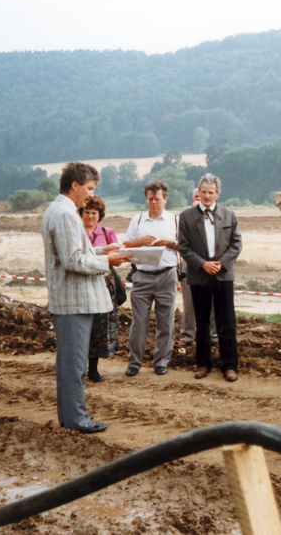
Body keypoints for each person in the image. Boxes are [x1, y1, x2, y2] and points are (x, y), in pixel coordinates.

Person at [41, 161, 129, 434]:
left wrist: (103, 252)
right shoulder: (66, 215)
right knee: (74, 366)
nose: (91, 194)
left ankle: (72, 417)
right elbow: (73, 260)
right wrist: (109, 261)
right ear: (75, 186)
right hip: (74, 301)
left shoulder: (60, 210)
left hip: (71, 300)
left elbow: (77, 252)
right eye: (89, 188)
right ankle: (77, 419)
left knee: (72, 364)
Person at [178, 173, 243, 382]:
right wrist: (202, 263)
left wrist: (221, 263)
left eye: (211, 192)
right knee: (202, 322)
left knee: (226, 322)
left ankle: (229, 366)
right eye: (203, 192)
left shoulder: (229, 215)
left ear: (218, 194)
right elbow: (183, 247)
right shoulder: (186, 216)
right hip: (199, 275)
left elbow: (236, 245)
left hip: (223, 275)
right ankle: (203, 364)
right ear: (199, 193)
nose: (207, 196)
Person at [122, 181, 179, 377]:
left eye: (157, 199)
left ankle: (161, 362)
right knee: (138, 323)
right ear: (146, 199)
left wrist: (171, 243)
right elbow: (126, 245)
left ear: (165, 199)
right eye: (150, 199)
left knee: (166, 322)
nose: (154, 202)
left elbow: (185, 245)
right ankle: (134, 363)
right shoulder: (137, 220)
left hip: (167, 275)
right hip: (142, 277)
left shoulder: (175, 220)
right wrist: (140, 242)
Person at [79, 195, 120, 382]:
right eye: (86, 212)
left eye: (94, 212)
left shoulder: (107, 232)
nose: (90, 216)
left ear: (100, 214)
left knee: (100, 327)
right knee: (83, 325)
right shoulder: (77, 232)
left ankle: (93, 369)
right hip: (83, 282)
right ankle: (78, 368)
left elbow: (116, 259)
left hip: (104, 283)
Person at [178, 187, 217, 347]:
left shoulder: (216, 217)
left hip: (211, 265)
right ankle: (187, 336)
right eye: (196, 196)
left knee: (214, 303)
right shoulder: (184, 217)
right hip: (189, 264)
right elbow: (179, 242)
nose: (200, 199)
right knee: (189, 303)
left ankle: (214, 337)